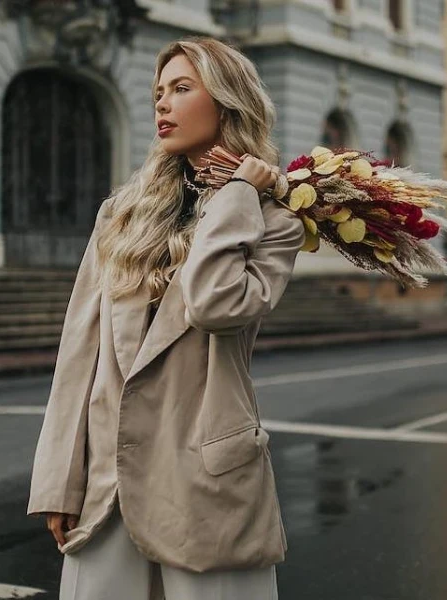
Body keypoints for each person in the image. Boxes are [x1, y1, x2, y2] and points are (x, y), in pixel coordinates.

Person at [26, 36, 306, 600]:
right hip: (109, 483)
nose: (162, 104)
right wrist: (59, 479)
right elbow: (78, 351)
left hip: (205, 480)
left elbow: (215, 304)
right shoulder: (122, 212)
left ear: (227, 103)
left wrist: (234, 196)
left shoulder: (275, 221)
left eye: (181, 89)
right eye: (158, 92)